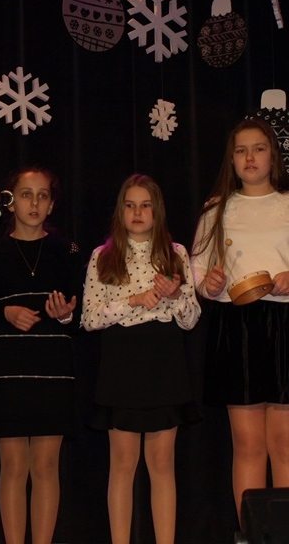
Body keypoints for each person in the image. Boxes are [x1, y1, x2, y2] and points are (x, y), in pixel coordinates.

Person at [82, 173, 200, 544]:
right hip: (122, 361)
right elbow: (89, 319)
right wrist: (132, 301)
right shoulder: (103, 256)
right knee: (122, 464)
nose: (137, 212)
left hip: (164, 359)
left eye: (145, 205)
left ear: (157, 210)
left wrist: (175, 295)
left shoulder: (175, 253)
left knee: (162, 464)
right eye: (130, 205)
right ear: (120, 211)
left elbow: (191, 319)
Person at [0, 167, 82, 544]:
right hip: (6, 373)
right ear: (10, 202)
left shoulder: (67, 251)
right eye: (26, 194)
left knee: (46, 465)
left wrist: (65, 314)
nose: (34, 203)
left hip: (53, 371)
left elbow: (85, 314)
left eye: (43, 195)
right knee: (13, 465)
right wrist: (5, 312)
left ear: (52, 205)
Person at [191, 117, 289, 520]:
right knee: (248, 445)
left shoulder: (287, 204)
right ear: (231, 159)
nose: (250, 157)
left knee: (284, 443)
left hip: (284, 324)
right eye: (241, 150)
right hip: (237, 326)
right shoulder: (217, 210)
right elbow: (197, 269)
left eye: (259, 149)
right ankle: (253, 532)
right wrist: (209, 283)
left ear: (273, 156)